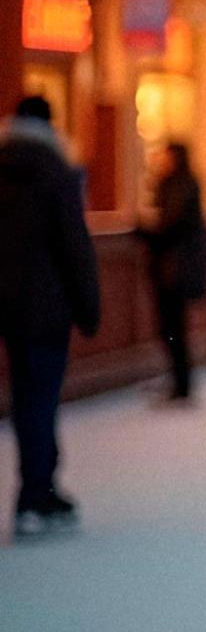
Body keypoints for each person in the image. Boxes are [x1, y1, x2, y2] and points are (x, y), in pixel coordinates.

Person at [0, 96, 101, 538]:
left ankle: (40, 485)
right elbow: (73, 246)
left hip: (7, 309)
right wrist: (88, 308)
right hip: (46, 309)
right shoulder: (54, 171)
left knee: (27, 399)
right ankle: (35, 494)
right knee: (41, 399)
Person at [140, 142, 206, 403]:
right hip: (173, 267)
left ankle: (181, 383)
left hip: (174, 269)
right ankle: (179, 381)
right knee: (171, 327)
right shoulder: (175, 184)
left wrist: (145, 233)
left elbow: (172, 226)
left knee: (173, 327)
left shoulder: (181, 185)